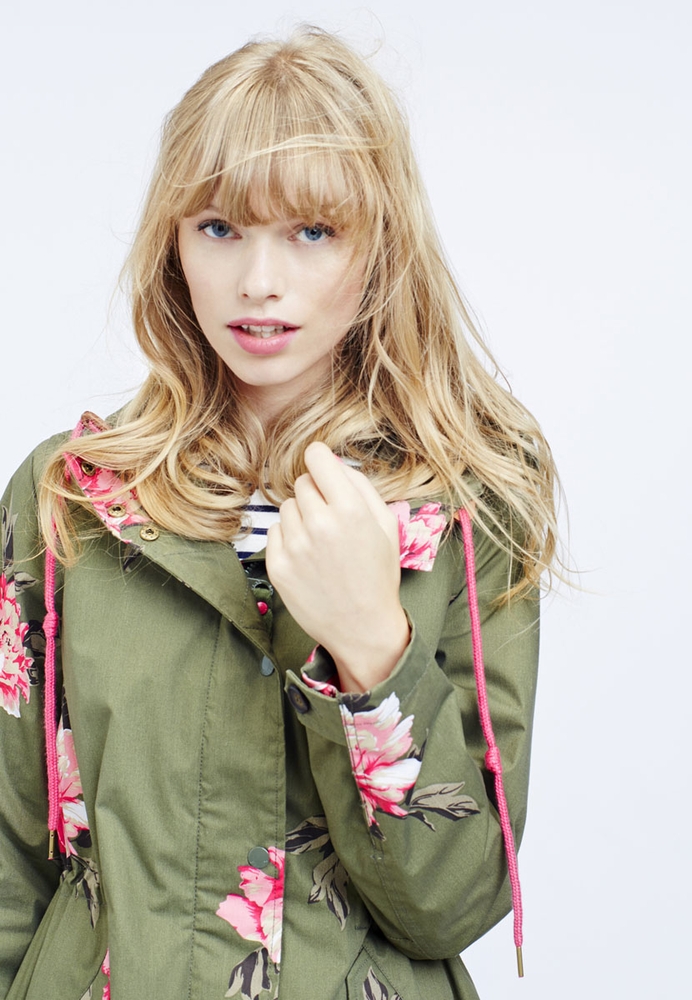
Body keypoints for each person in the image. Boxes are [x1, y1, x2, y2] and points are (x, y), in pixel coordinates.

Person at [0, 27, 559, 1000]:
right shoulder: (70, 498)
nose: (259, 280)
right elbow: (10, 858)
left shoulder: (470, 499)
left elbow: (454, 901)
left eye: (311, 231)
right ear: (173, 242)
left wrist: (372, 644)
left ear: (379, 243)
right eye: (219, 227)